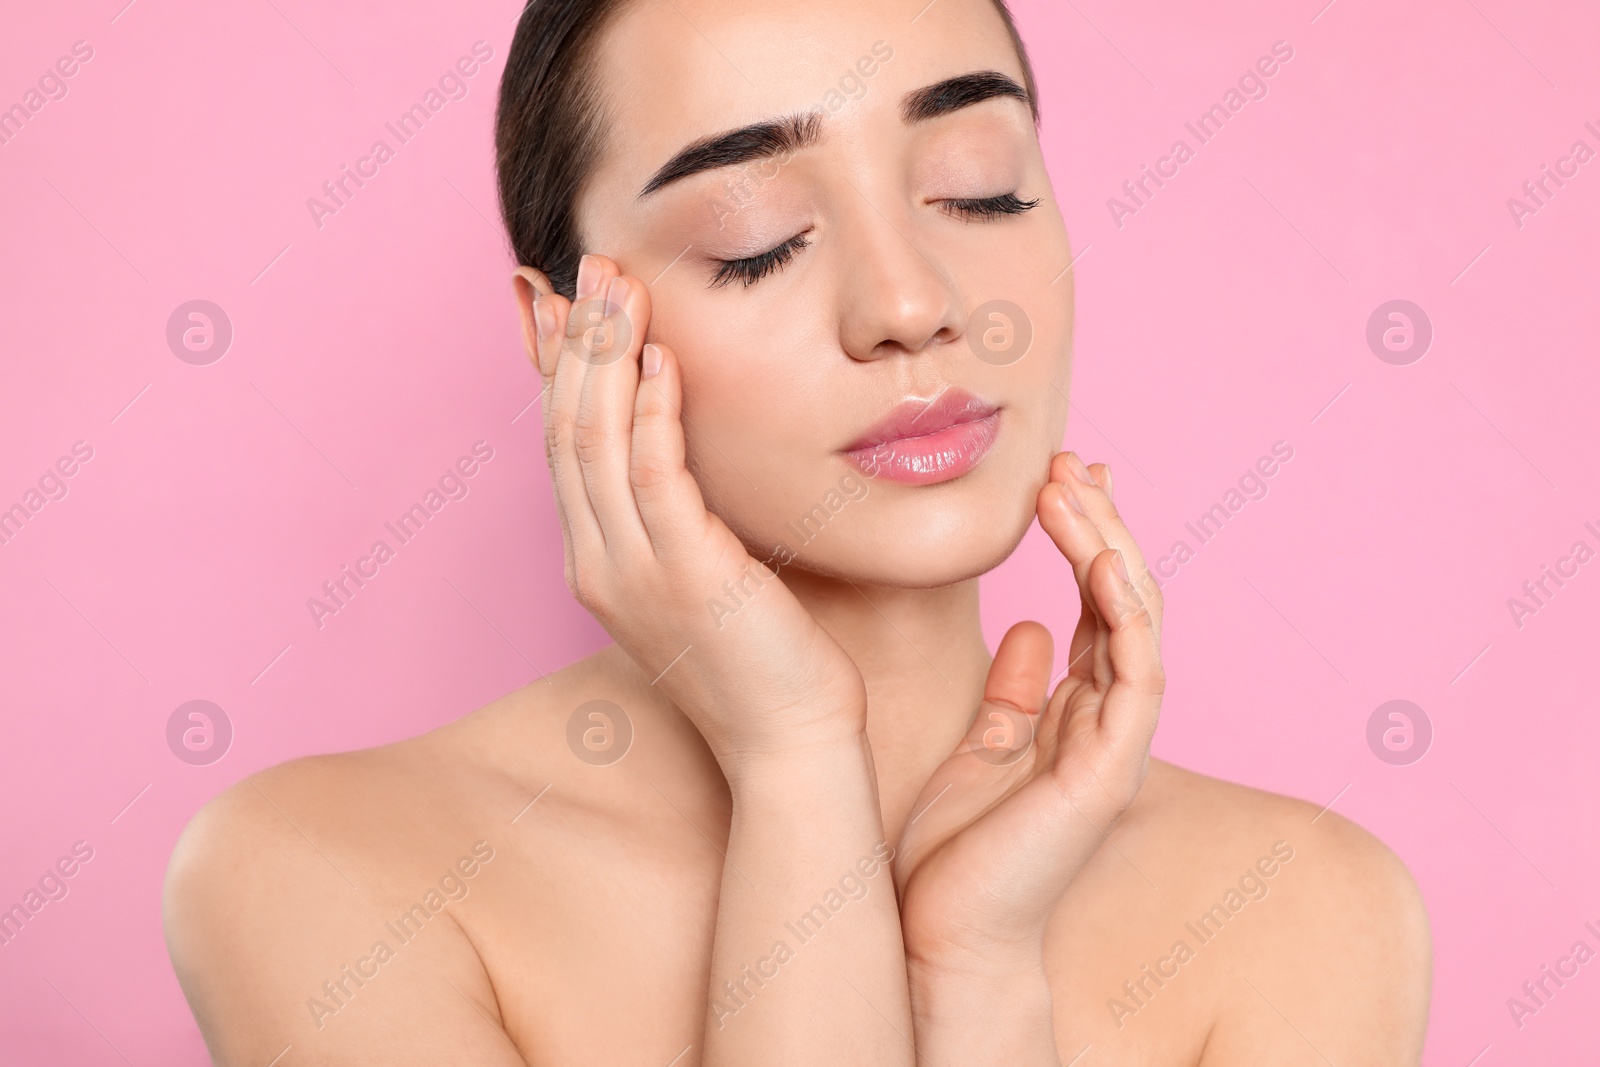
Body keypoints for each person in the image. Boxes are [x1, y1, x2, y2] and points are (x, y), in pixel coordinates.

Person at [163, 0, 1432, 1062]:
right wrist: (794, 766)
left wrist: (975, 977)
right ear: (567, 336)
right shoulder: (329, 878)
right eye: (758, 240)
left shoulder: (1304, 910)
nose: (909, 303)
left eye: (977, 190)